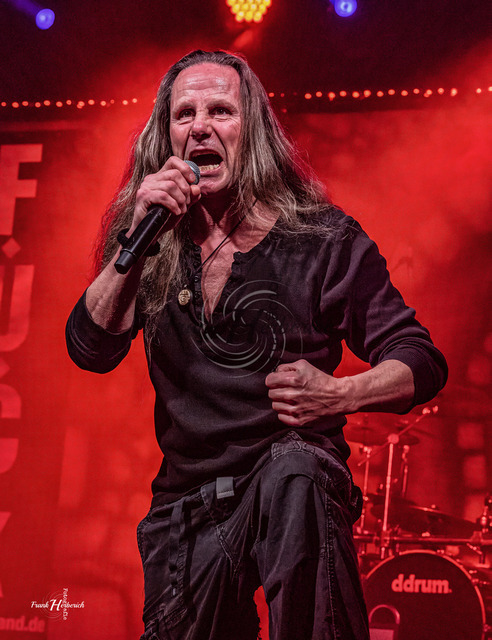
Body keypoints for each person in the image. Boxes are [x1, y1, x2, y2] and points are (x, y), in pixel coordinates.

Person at [66, 49, 447, 640]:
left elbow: (420, 359)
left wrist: (341, 393)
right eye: (185, 114)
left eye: (221, 110)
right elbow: (90, 348)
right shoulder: (149, 242)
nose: (200, 127)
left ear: (255, 132)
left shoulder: (322, 239)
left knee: (295, 470)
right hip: (190, 502)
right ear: (166, 136)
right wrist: (135, 237)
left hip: (293, 484)